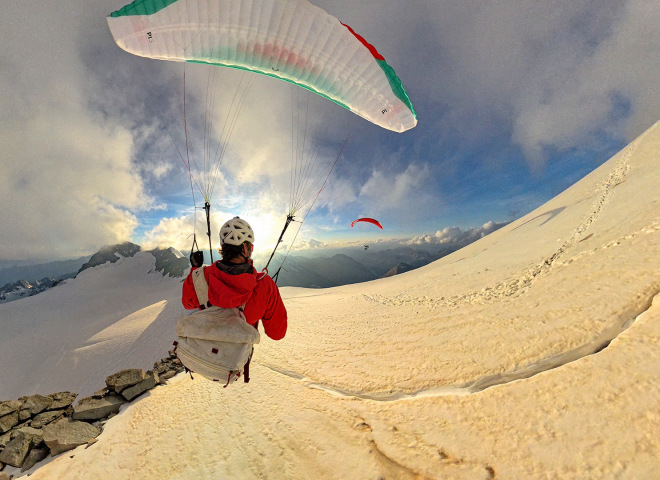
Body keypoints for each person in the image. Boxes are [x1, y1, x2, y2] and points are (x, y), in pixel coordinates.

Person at [182, 216, 287, 341]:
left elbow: (187, 303)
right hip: (236, 358)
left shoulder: (200, 277)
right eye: (251, 247)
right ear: (244, 248)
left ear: (223, 248)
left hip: (202, 354)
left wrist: (195, 269)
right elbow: (277, 333)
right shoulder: (265, 285)